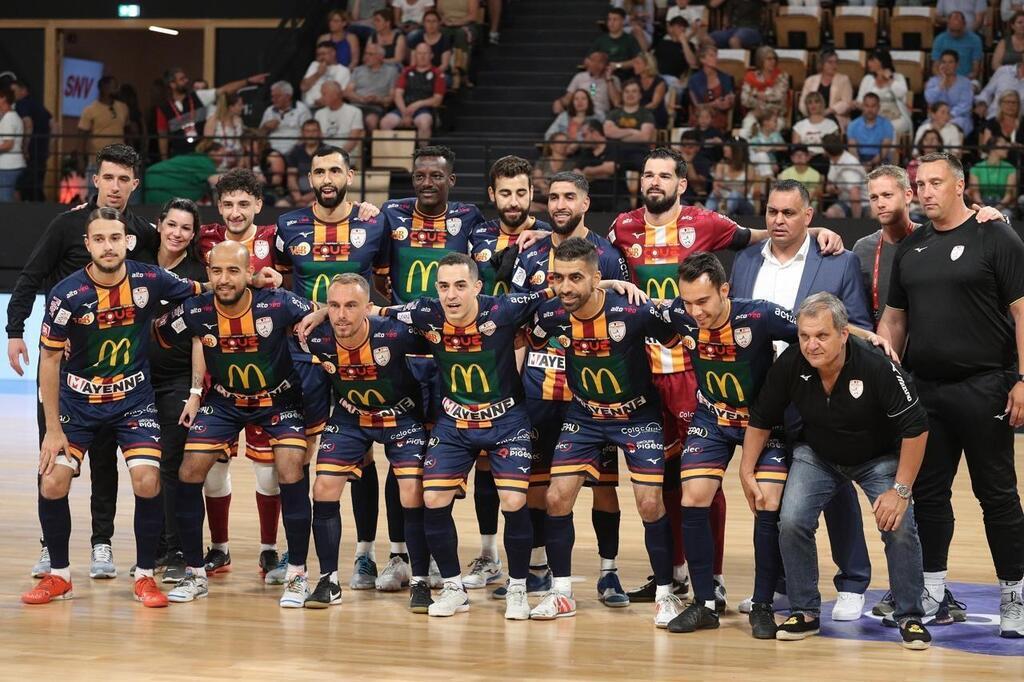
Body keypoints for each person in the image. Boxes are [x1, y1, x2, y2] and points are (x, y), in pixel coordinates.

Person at [610, 149, 845, 611]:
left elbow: (761, 233)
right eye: (647, 174)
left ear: (682, 183)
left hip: (697, 373)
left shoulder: (706, 223)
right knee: (663, 481)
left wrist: (810, 230)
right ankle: (672, 575)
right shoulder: (621, 227)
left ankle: (712, 578)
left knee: (702, 478)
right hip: (645, 370)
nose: (654, 181)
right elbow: (595, 264)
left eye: (664, 175)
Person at [21, 206, 203, 607]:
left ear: (129, 242)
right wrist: (52, 429)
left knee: (147, 480)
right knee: (52, 482)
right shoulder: (66, 294)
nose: (108, 246)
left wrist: (255, 278)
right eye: (99, 239)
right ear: (88, 244)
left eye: (115, 238)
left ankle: (143, 577)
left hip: (133, 404)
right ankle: (60, 576)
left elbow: (202, 289)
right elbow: (49, 360)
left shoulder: (150, 278)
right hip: (78, 407)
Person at [878, 152, 1024, 638]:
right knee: (929, 494)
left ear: (961, 186)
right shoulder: (912, 246)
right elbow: (894, 320)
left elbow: (1023, 313)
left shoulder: (994, 234)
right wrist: (888, 379)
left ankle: (1014, 595)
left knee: (997, 496)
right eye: (920, 184)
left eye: (936, 183)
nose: (926, 192)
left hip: (987, 388)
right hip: (926, 391)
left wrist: (1023, 379)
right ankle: (933, 591)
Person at [747, 293, 932, 649]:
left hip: (877, 457)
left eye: (821, 336)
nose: (811, 345)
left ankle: (909, 615)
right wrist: (745, 470)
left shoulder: (877, 365)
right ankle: (804, 610)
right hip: (818, 454)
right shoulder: (791, 363)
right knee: (793, 519)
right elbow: (762, 417)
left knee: (899, 526)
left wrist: (901, 490)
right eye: (804, 336)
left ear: (844, 334)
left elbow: (917, 428)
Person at [7, 144, 158, 580]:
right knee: (52, 454)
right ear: (96, 180)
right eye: (107, 177)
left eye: (122, 179)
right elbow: (30, 276)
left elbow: (161, 277)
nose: (114, 187)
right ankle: (47, 546)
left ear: (134, 184)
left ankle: (102, 543)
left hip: (118, 373)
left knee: (109, 459)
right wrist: (15, 331)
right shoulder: (67, 224)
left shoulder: (141, 233)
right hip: (64, 366)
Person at [382, 253, 559, 619]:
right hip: (453, 423)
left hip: (507, 421)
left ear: (478, 287)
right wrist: (322, 313)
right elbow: (376, 311)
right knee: (432, 499)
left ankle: (518, 588)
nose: (452, 295)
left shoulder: (505, 309)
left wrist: (610, 285)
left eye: (460, 285)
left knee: (512, 500)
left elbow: (561, 289)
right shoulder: (425, 313)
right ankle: (452, 588)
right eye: (444, 286)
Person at [730, 179, 875, 622]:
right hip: (764, 394)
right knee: (774, 493)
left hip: (819, 391)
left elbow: (860, 327)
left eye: (789, 213)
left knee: (834, 487)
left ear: (808, 217)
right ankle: (779, 584)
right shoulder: (745, 261)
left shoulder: (839, 261)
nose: (778, 220)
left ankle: (852, 582)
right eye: (772, 211)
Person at [527, 238, 680, 625]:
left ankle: (666, 595)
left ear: (597, 277)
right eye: (558, 277)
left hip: (636, 415)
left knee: (649, 504)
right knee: (557, 497)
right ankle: (561, 594)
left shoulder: (633, 311)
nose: (565, 287)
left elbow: (677, 332)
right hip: (584, 417)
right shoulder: (550, 315)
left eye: (575, 277)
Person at [159, 242, 316, 606]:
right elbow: (156, 335)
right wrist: (196, 390)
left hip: (278, 400)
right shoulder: (196, 309)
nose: (224, 279)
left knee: (290, 468)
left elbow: (321, 313)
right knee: (189, 470)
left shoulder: (278, 302)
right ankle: (196, 573)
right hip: (225, 402)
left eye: (233, 271)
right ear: (208, 274)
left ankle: (296, 573)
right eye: (217, 271)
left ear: (249, 274)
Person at [501, 171, 631, 605]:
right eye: (553, 197)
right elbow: (516, 322)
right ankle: (538, 567)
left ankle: (608, 572)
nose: (559, 205)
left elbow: (622, 321)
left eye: (568, 197)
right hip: (538, 389)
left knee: (603, 486)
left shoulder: (608, 256)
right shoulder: (530, 251)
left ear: (585, 203)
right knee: (539, 485)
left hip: (589, 395)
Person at [659, 252, 798, 638]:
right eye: (687, 302)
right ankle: (704, 604)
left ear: (724, 290)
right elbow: (641, 304)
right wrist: (610, 284)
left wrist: (863, 335)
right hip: (712, 420)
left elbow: (812, 329)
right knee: (694, 495)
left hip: (764, 424)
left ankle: (764, 604)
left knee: (766, 500)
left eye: (702, 301)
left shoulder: (760, 316)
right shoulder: (681, 314)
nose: (695, 311)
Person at [275, 145, 395, 590]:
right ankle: (297, 550)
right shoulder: (288, 225)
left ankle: (364, 554)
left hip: (358, 356)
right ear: (309, 176)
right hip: (305, 357)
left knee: (360, 452)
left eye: (335, 170)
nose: (327, 178)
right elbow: (283, 284)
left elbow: (382, 282)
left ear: (350, 174)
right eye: (319, 171)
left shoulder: (373, 219)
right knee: (300, 453)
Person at [297, 273, 432, 610]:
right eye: (335, 306)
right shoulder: (316, 337)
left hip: (402, 416)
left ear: (370, 308)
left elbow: (436, 319)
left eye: (352, 306)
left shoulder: (397, 333)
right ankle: (329, 580)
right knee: (323, 488)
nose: (342, 315)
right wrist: (316, 312)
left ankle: (420, 580)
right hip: (351, 417)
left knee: (412, 491)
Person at [196, 169, 290, 581]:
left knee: (268, 471)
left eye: (243, 204)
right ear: (219, 207)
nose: (235, 212)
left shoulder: (277, 235)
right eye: (228, 204)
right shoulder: (204, 239)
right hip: (219, 372)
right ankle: (220, 549)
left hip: (267, 372)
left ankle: (269, 551)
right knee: (214, 469)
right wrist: (252, 278)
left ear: (258, 206)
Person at [149, 198, 208, 584]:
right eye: (172, 224)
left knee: (173, 468)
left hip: (175, 385)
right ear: (159, 225)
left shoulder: (195, 277)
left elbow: (203, 336)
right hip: (134, 382)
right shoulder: (135, 262)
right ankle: (153, 547)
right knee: (147, 467)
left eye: (185, 228)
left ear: (193, 234)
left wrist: (194, 391)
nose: (177, 233)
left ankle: (177, 551)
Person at [156, 67, 267, 160]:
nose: (186, 80)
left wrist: (248, 81)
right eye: (181, 79)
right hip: (178, 156)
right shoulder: (163, 108)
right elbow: (163, 137)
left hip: (201, 154)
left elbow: (223, 90)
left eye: (185, 77)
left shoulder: (198, 96)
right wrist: (164, 160)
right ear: (172, 85)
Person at [380, 42, 446, 142]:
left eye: (425, 53)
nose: (422, 56)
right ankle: (394, 155)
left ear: (431, 56)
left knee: (424, 123)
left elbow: (437, 100)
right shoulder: (406, 71)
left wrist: (417, 104)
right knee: (385, 123)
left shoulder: (437, 73)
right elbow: (398, 95)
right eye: (419, 53)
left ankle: (422, 155)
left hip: (424, 110)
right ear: (415, 55)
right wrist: (405, 112)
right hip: (404, 108)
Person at [79, 77, 130, 186]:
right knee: (96, 195)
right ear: (103, 88)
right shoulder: (90, 110)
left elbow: (127, 132)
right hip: (97, 160)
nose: (117, 89)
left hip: (120, 160)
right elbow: (81, 137)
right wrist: (80, 160)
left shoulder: (123, 107)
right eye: (113, 86)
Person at [143, 139, 226, 205]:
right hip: (157, 186)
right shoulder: (205, 162)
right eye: (223, 153)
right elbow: (217, 180)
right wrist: (236, 178)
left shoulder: (195, 158)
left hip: (151, 182)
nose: (225, 158)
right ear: (213, 152)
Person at [856, 49, 913, 139]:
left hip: (896, 118)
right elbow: (860, 101)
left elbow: (902, 95)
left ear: (882, 62)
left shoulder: (898, 77)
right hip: (873, 117)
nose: (869, 63)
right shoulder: (867, 79)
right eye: (869, 60)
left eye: (873, 60)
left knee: (888, 128)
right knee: (874, 127)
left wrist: (890, 80)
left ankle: (890, 152)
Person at [11, 79, 51, 201]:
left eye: (14, 91)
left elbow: (28, 123)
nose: (11, 94)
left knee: (25, 184)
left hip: (32, 151)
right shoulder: (37, 104)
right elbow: (55, 125)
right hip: (41, 150)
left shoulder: (22, 103)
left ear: (24, 91)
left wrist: (25, 147)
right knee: (36, 182)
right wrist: (51, 146)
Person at [603, 80, 657, 170]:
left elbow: (644, 137)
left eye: (634, 91)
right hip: (615, 152)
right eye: (627, 91)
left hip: (638, 152)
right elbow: (608, 132)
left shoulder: (646, 114)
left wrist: (618, 134)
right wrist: (632, 131)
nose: (630, 94)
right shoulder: (613, 113)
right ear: (622, 94)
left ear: (640, 95)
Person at [346, 42, 399, 133]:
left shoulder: (391, 72)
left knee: (371, 121)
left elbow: (391, 97)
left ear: (380, 57)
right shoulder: (358, 70)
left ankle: (369, 146)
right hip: (356, 105)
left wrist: (378, 99)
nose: (366, 56)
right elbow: (348, 92)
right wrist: (361, 99)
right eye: (366, 53)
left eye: (370, 54)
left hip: (375, 106)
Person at [552, 50, 621, 119]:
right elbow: (568, 98)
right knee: (562, 119)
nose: (595, 64)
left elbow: (616, 102)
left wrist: (609, 79)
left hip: (600, 114)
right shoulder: (579, 77)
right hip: (580, 113)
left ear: (607, 65)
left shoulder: (613, 80)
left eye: (600, 61)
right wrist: (559, 102)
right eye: (592, 60)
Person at [799, 49, 854, 132]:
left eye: (836, 62)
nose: (834, 65)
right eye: (830, 62)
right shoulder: (810, 80)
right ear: (822, 64)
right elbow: (803, 103)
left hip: (835, 117)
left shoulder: (844, 80)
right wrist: (811, 114)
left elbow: (846, 103)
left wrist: (829, 111)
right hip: (812, 116)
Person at [740, 46, 789, 137]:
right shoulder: (750, 77)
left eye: (774, 59)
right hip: (756, 114)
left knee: (768, 131)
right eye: (769, 59)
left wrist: (755, 94)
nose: (772, 62)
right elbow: (745, 100)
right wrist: (764, 98)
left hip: (775, 116)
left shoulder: (782, 76)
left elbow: (778, 96)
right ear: (760, 60)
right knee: (746, 130)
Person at [925, 51, 974, 136]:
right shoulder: (933, 81)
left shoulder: (965, 82)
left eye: (950, 62)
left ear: (957, 64)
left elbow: (965, 104)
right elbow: (929, 99)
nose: (947, 65)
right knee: (926, 128)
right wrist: (941, 84)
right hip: (936, 117)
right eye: (944, 62)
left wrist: (949, 115)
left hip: (958, 117)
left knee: (951, 129)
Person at [705, 139, 760, 216]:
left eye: (728, 146)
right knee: (714, 194)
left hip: (745, 203)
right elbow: (716, 185)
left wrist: (725, 186)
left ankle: (724, 216)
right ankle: (706, 214)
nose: (724, 148)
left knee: (735, 195)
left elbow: (744, 191)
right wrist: (719, 189)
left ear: (737, 150)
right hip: (723, 200)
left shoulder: (749, 168)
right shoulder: (721, 165)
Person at [687, 44, 735, 131]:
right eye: (712, 55)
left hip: (718, 115)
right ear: (702, 59)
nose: (716, 58)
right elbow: (696, 105)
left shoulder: (725, 77)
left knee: (717, 123)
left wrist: (728, 101)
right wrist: (713, 104)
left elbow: (730, 96)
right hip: (700, 116)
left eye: (716, 55)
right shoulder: (694, 80)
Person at [258, 81, 313, 156]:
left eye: (277, 96)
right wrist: (265, 127)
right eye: (272, 96)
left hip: (294, 152)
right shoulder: (269, 110)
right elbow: (259, 135)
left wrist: (295, 150)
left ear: (288, 96)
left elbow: (307, 134)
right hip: (270, 151)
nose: (273, 100)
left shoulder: (301, 109)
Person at [822, 134, 868, 219]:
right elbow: (830, 182)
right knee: (830, 213)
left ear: (826, 151)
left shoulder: (849, 165)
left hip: (863, 204)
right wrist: (831, 188)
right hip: (845, 202)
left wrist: (856, 222)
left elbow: (855, 194)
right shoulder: (833, 160)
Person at [314, 81, 365, 158]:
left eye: (324, 94)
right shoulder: (319, 113)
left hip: (346, 154)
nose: (321, 98)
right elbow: (317, 139)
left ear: (335, 95)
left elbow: (353, 141)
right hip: (323, 155)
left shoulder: (355, 112)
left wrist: (336, 156)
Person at [968, 136, 1017, 212]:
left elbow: (1009, 195)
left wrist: (994, 210)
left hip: (1001, 207)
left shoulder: (1010, 169)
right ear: (994, 148)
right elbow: (975, 193)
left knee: (1006, 214)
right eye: (1003, 145)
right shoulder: (976, 169)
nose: (1007, 149)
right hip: (981, 205)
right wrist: (984, 209)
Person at [931, 11, 983, 80]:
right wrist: (944, 79)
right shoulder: (939, 39)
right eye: (952, 30)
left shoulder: (975, 40)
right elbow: (935, 68)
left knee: (972, 87)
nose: (955, 33)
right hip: (943, 78)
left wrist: (961, 81)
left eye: (958, 30)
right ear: (948, 25)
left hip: (967, 79)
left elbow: (975, 70)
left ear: (964, 25)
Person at [302, 41, 354, 110]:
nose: (321, 57)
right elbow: (303, 87)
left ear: (333, 53)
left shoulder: (343, 70)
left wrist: (320, 102)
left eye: (323, 54)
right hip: (307, 107)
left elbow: (337, 93)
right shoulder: (314, 65)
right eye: (318, 55)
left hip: (326, 108)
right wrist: (318, 74)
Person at [847, 94, 895, 168]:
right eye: (867, 106)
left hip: (881, 160)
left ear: (878, 107)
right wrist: (860, 167)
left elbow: (884, 151)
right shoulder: (853, 125)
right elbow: (853, 151)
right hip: (859, 160)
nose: (870, 109)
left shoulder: (887, 124)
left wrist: (870, 164)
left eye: (873, 106)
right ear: (862, 107)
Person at [593, 8, 642, 79]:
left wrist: (618, 65)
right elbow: (588, 59)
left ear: (622, 21)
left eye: (615, 19)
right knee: (591, 85)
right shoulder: (600, 40)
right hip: (602, 76)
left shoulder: (630, 40)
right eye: (609, 19)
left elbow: (638, 60)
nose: (611, 23)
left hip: (625, 79)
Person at [286, 119, 325, 207]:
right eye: (307, 131)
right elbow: (291, 178)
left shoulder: (327, 152)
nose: (310, 134)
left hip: (320, 195)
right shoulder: (295, 151)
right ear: (302, 133)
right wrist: (297, 197)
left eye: (314, 131)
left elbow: (329, 180)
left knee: (312, 206)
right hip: (297, 195)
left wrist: (310, 196)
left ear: (319, 133)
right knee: (281, 204)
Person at [545, 89, 596, 154]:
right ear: (572, 102)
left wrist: (578, 144)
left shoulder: (596, 117)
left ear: (589, 101)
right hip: (565, 151)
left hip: (587, 153)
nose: (579, 102)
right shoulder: (564, 116)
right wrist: (565, 144)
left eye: (583, 98)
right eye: (576, 99)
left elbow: (599, 138)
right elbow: (548, 135)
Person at [203, 93, 245, 170]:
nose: (242, 107)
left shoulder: (239, 121)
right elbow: (206, 145)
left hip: (236, 163)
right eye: (239, 105)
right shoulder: (213, 121)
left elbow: (241, 143)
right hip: (217, 164)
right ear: (231, 107)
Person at [792, 92, 840, 158]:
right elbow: (796, 150)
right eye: (810, 102)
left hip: (825, 160)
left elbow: (835, 149)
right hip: (806, 160)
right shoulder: (799, 126)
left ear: (821, 104)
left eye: (816, 102)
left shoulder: (831, 125)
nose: (813, 105)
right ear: (807, 106)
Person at [0, 87, 25, 202]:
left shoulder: (8, 118)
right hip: (13, 165)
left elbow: (8, 144)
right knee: (13, 198)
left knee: (6, 202)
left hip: (8, 166)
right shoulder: (13, 116)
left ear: (3, 98)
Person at [634, 53, 669, 131]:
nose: (634, 66)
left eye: (638, 63)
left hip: (654, 114)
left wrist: (637, 112)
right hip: (637, 113)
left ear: (647, 65)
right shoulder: (634, 81)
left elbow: (654, 104)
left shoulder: (659, 82)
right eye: (634, 63)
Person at [418, 10, 454, 75]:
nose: (431, 24)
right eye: (428, 21)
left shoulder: (445, 39)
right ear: (423, 23)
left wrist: (431, 75)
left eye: (434, 21)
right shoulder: (418, 38)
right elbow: (414, 62)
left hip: (440, 73)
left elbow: (444, 65)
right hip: (421, 73)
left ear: (439, 23)